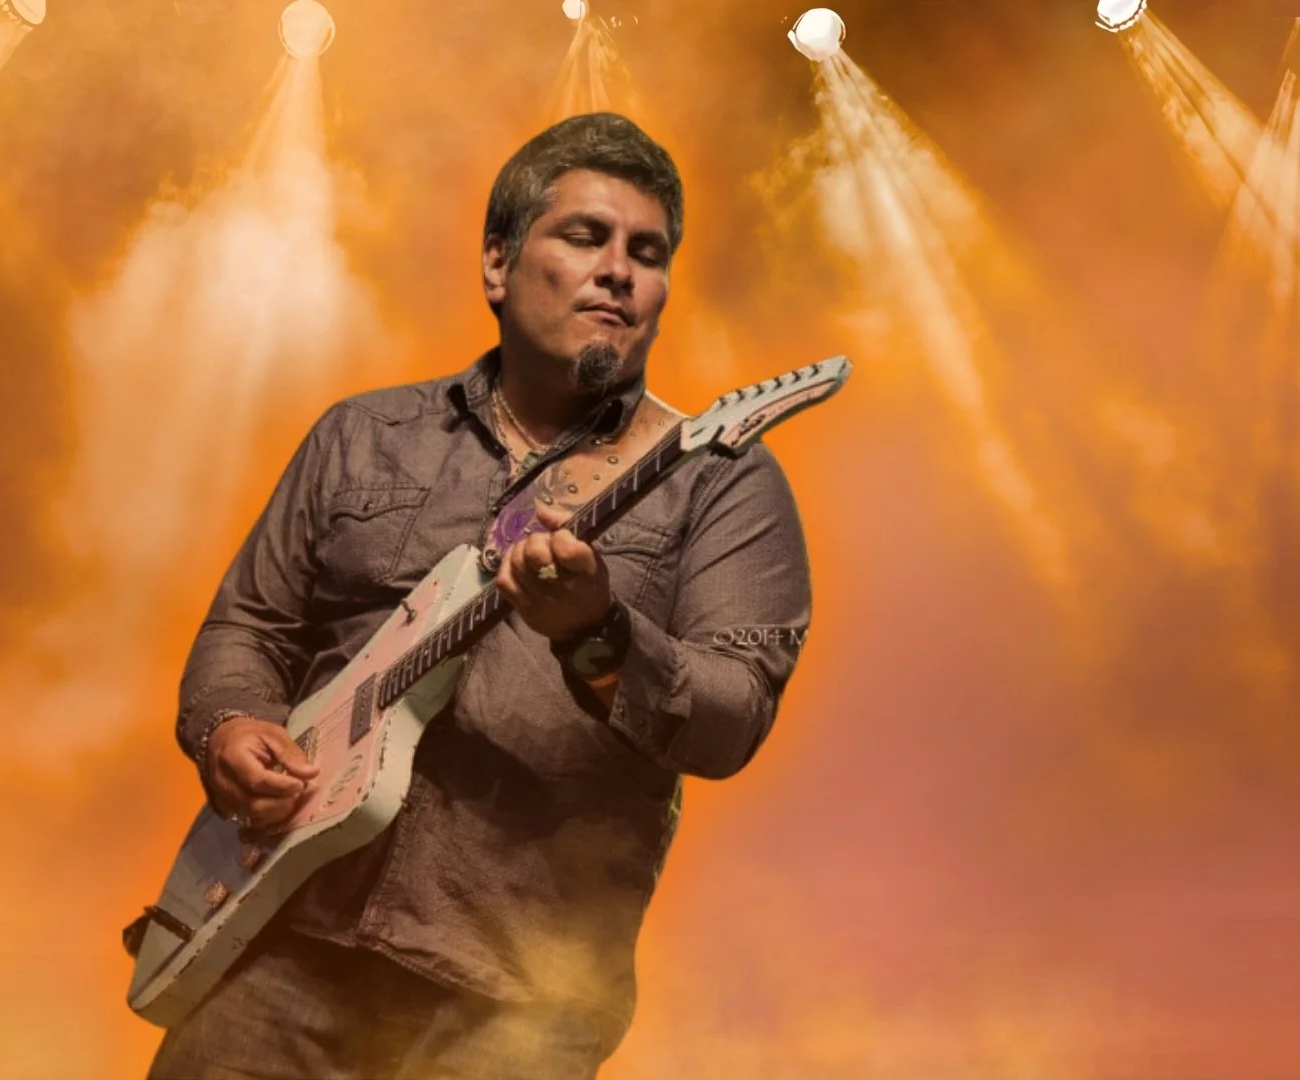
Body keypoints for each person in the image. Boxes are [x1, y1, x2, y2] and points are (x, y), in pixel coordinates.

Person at [149, 112, 813, 1079]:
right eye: (585, 237)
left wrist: (599, 633)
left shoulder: (720, 479)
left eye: (648, 252)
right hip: (282, 943)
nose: (619, 270)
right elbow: (250, 624)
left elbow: (730, 718)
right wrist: (229, 723)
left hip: (518, 998)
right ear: (498, 264)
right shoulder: (364, 436)